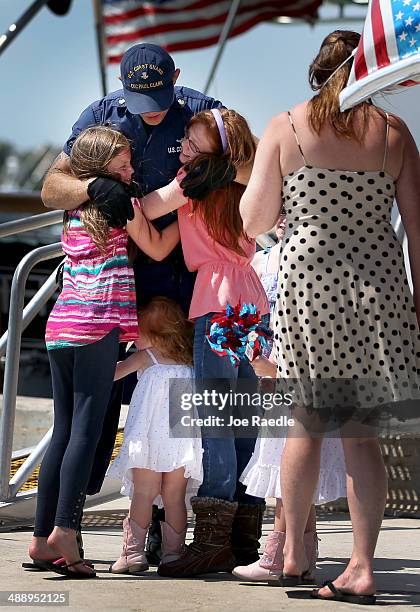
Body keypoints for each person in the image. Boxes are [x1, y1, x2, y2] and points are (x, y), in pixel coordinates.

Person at [240, 29, 420, 603]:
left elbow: (255, 218)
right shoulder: (394, 135)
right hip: (378, 290)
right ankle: (362, 569)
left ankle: (293, 554)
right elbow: (418, 229)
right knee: (362, 435)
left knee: (304, 425)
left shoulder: (286, 127)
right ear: (372, 76)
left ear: (317, 73)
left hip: (308, 285)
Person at [41, 43, 225, 562]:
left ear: (178, 80)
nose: (152, 109)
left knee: (183, 410)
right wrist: (94, 187)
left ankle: (180, 533)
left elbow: (246, 157)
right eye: (141, 100)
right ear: (122, 89)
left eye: (161, 97)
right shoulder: (100, 115)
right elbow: (52, 187)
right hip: (112, 281)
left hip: (176, 277)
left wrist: (210, 179)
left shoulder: (202, 111)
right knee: (94, 421)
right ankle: (71, 528)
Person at [29, 126, 180, 578]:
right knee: (87, 431)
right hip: (98, 322)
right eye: (122, 163)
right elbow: (154, 245)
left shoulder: (75, 205)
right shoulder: (123, 203)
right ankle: (66, 533)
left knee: (64, 430)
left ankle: (40, 539)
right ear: (100, 166)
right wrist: (184, 217)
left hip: (62, 324)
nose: (131, 170)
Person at [138, 107, 269, 577]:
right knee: (244, 414)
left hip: (216, 298)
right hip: (250, 298)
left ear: (214, 149)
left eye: (194, 143)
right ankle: (244, 535)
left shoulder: (192, 183)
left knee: (216, 414)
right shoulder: (242, 184)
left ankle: (213, 539)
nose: (185, 150)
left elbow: (149, 208)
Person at [107, 297, 202, 575]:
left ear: (151, 334)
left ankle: (132, 554)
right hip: (181, 441)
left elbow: (112, 374)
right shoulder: (190, 363)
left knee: (143, 494)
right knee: (175, 497)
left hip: (148, 439)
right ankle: (173, 554)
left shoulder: (146, 357)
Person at [233, 353, 346, 582]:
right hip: (321, 397)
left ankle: (276, 560)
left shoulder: (297, 320)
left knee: (286, 482)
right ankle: (305, 558)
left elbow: (300, 369)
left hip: (296, 402)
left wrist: (271, 370)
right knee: (305, 487)